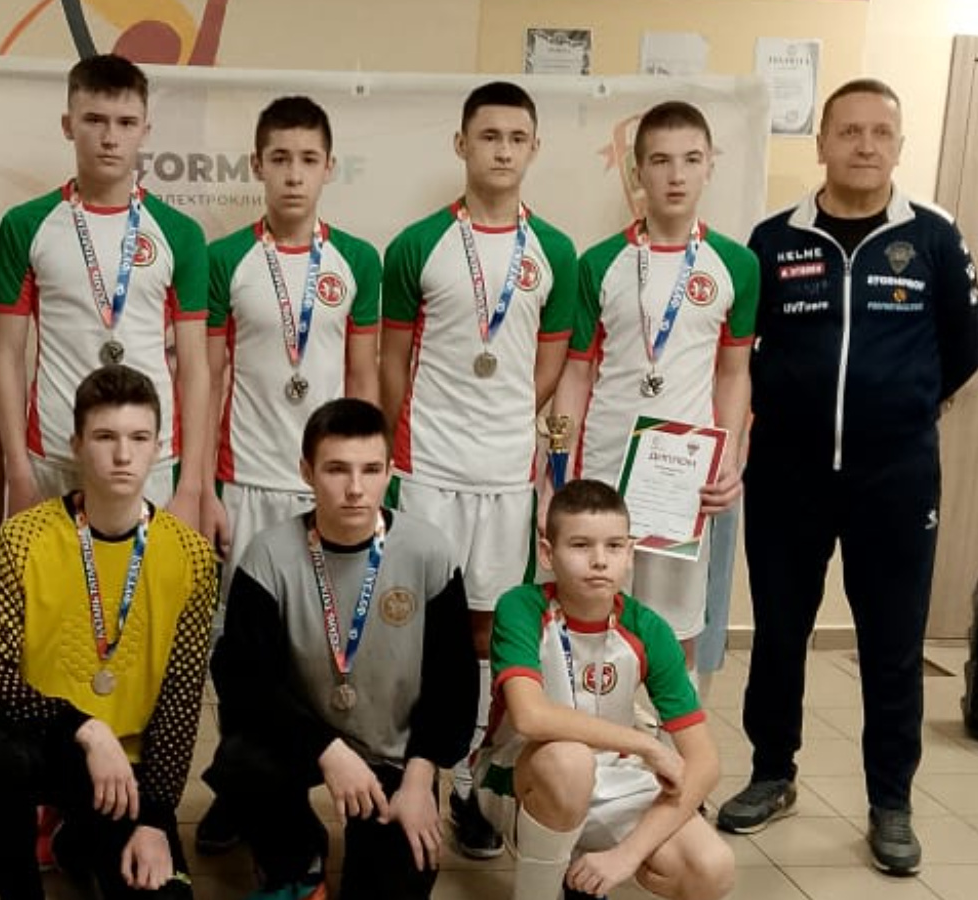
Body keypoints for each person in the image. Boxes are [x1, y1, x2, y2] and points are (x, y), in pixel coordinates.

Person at [716, 78, 978, 876]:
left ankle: (890, 801)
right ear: (822, 143)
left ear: (899, 145)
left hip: (894, 479)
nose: (866, 145)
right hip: (787, 473)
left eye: (881, 132)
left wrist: (903, 406)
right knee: (779, 634)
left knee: (892, 643)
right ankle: (772, 773)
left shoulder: (934, 236)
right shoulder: (774, 240)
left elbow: (965, 347)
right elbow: (743, 351)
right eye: (850, 131)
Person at [378, 80, 578, 859]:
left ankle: (465, 784)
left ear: (535, 148)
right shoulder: (416, 244)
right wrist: (413, 438)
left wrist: (504, 420)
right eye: (488, 136)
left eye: (516, 138)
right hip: (426, 469)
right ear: (461, 144)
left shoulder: (554, 250)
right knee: (413, 624)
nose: (502, 150)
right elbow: (393, 362)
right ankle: (409, 774)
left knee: (491, 630)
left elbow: (549, 364)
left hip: (504, 476)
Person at [193, 96, 381, 854]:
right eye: (280, 159)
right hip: (246, 481)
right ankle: (238, 785)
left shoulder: (357, 260)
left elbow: (363, 379)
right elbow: (206, 379)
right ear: (257, 166)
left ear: (329, 167)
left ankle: (327, 776)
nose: (294, 175)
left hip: (327, 488)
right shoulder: (224, 260)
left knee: (327, 642)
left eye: (308, 160)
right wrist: (202, 488)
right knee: (239, 651)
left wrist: (367, 484)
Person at [0, 365, 218, 900]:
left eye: (138, 438)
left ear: (158, 447)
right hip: (46, 744)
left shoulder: (192, 557)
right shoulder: (22, 539)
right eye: (105, 437)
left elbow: (180, 701)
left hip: (130, 769)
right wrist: (86, 728)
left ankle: (77, 839)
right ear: (77, 445)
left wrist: (154, 819)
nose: (123, 455)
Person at [204, 398, 478, 900]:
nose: (355, 488)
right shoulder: (269, 555)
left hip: (391, 753)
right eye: (336, 469)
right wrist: (327, 750)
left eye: (371, 470)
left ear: (390, 472)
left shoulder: (428, 552)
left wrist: (420, 781)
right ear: (306, 472)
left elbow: (454, 682)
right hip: (297, 738)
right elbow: (243, 679)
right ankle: (297, 861)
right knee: (243, 763)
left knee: (397, 881)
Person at [551, 100, 755, 665]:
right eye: (661, 161)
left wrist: (729, 457)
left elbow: (734, 372)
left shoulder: (736, 264)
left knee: (674, 633)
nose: (676, 175)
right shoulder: (599, 262)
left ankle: (671, 725)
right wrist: (558, 467)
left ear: (710, 165)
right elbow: (576, 372)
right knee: (590, 618)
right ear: (638, 171)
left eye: (691, 159)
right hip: (604, 466)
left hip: (683, 478)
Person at [473, 479, 733, 900]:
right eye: (580, 545)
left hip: (615, 773)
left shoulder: (648, 628)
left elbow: (704, 762)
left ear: (630, 554)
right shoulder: (522, 607)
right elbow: (531, 717)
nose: (599, 560)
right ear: (548, 553)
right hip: (521, 773)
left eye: (613, 546)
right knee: (571, 762)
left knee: (712, 869)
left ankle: (581, 875)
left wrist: (626, 856)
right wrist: (645, 745)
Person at [0, 54, 212, 535]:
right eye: (94, 120)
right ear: (68, 125)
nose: (111, 138)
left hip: (151, 459)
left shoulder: (180, 234)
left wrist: (192, 485)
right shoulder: (26, 225)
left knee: (144, 585)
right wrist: (18, 471)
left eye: (126, 123)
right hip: (53, 454)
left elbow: (196, 367)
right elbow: (6, 355)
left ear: (145, 131)